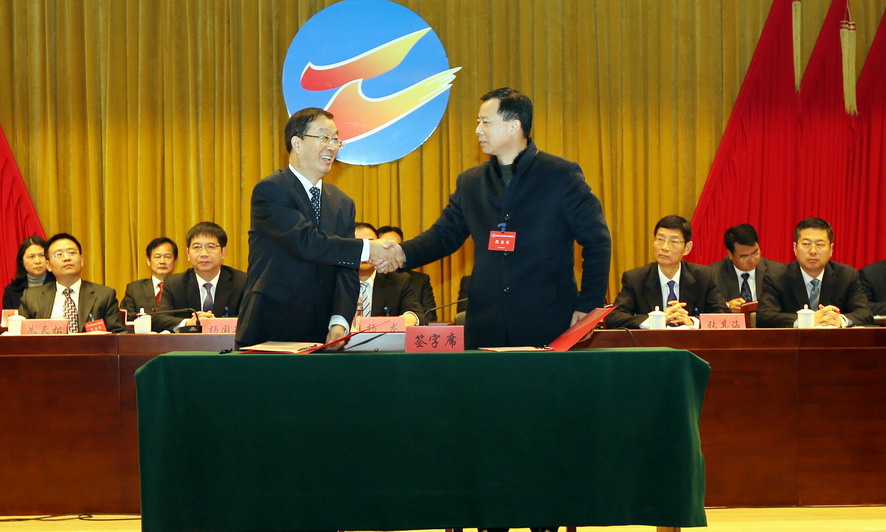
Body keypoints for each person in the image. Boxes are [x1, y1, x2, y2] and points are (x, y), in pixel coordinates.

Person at [395, 87, 612, 351]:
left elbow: (598, 241)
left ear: (514, 126)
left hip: (548, 320)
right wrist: (400, 254)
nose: (477, 130)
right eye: (478, 122)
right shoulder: (471, 181)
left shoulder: (560, 175)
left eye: (485, 122)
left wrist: (589, 305)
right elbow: (444, 236)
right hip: (486, 322)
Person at [235, 108, 402, 348]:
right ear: (297, 143)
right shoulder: (272, 190)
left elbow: (346, 269)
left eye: (336, 140)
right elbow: (307, 243)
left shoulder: (342, 202)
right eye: (324, 137)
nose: (332, 147)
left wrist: (340, 321)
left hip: (323, 331)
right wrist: (368, 249)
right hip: (271, 323)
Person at [606, 215, 729, 329]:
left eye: (674, 241)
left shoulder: (703, 276)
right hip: (652, 344)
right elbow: (614, 317)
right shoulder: (635, 279)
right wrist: (656, 320)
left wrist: (692, 321)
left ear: (687, 248)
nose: (664, 247)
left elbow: (724, 316)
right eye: (660, 239)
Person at [757, 218, 872, 328]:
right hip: (792, 341)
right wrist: (807, 320)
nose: (813, 251)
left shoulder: (846, 276)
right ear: (795, 248)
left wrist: (839, 320)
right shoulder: (776, 277)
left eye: (820, 244)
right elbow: (764, 317)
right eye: (806, 244)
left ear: (831, 249)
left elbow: (865, 314)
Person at [18, 233, 125, 333]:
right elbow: (19, 336)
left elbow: (118, 336)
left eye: (71, 253)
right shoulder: (31, 297)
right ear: (48, 265)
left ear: (81, 260)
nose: (66, 258)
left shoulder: (104, 295)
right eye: (58, 254)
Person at [152, 222, 246, 332]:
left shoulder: (241, 281)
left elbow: (250, 319)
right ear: (188, 253)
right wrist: (188, 323)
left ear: (223, 252)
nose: (204, 253)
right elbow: (159, 319)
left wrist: (217, 324)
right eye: (197, 247)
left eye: (211, 247)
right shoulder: (175, 284)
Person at [354, 223, 423, 326]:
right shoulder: (334, 280)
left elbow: (417, 314)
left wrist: (410, 318)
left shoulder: (399, 280)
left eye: (370, 246)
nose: (365, 252)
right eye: (359, 246)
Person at [710, 224, 783, 313]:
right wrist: (727, 306)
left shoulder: (777, 272)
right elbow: (706, 310)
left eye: (755, 252)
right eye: (744, 256)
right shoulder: (713, 275)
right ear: (730, 254)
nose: (752, 260)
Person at [377, 224, 438, 321]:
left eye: (396, 247)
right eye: (385, 248)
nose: (391, 253)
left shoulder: (420, 280)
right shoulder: (370, 279)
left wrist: (411, 319)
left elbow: (430, 317)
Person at [120, 237, 178, 318]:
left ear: (175, 261)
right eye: (157, 257)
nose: (162, 261)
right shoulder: (134, 289)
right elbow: (127, 318)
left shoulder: (182, 288)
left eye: (167, 257)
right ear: (148, 261)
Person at [3, 235, 55, 309]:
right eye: (31, 257)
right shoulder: (11, 291)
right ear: (22, 261)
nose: (37, 261)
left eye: (42, 255)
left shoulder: (58, 285)